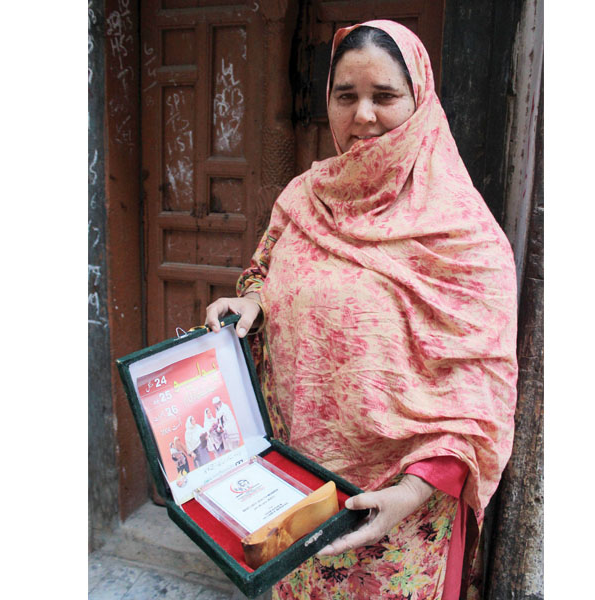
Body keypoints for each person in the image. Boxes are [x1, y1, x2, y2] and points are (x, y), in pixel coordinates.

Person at [205, 20, 517, 600]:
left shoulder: (465, 237)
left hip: (403, 519)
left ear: (420, 102)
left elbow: (480, 389)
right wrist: (248, 302)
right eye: (345, 96)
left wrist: (413, 492)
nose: (363, 115)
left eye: (385, 96)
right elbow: (264, 272)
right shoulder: (302, 197)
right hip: (294, 498)